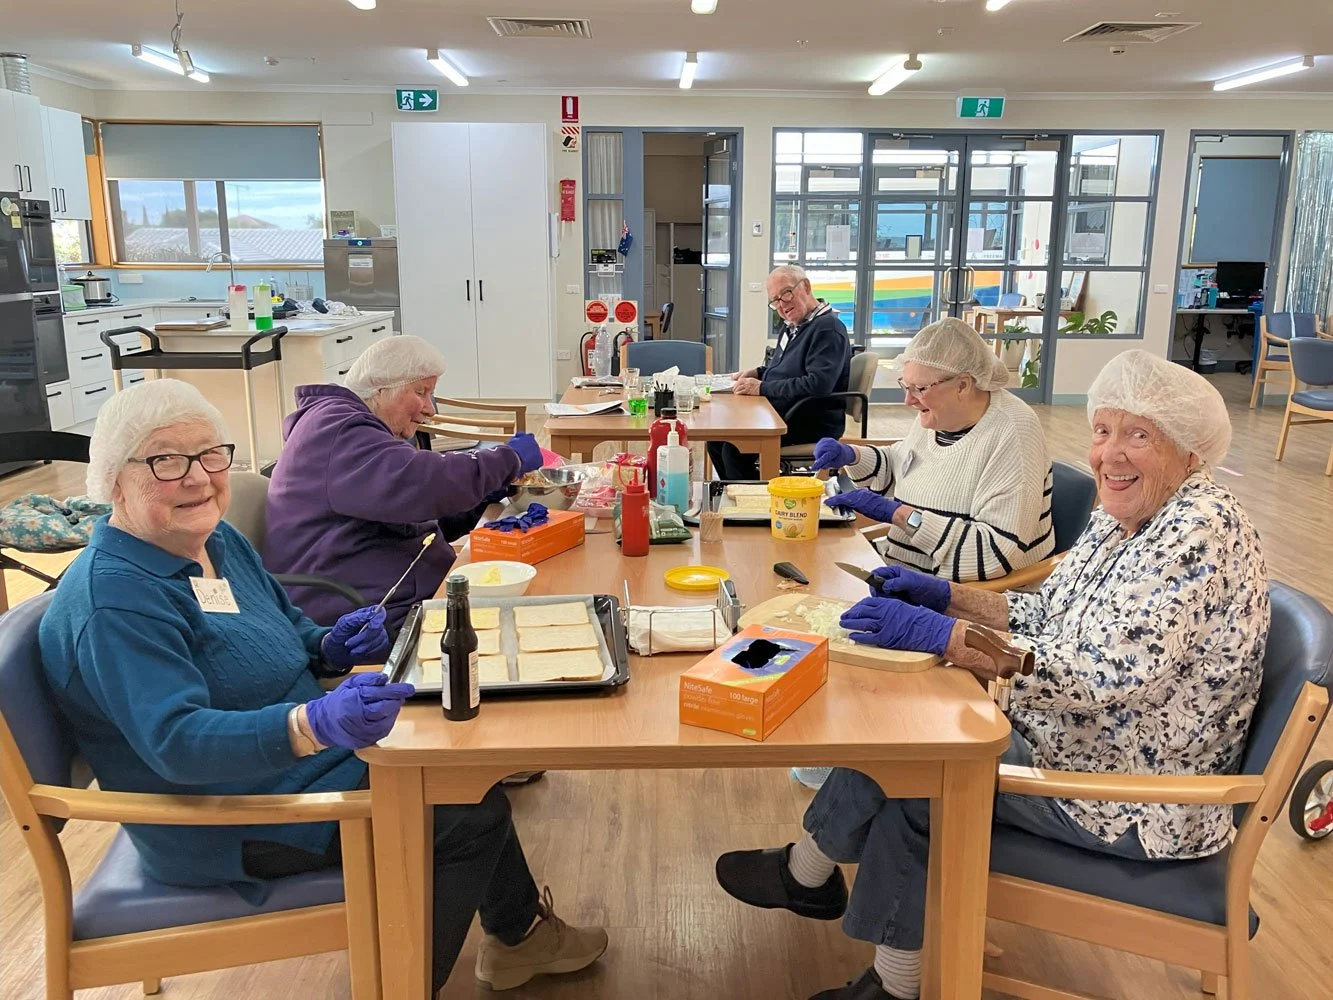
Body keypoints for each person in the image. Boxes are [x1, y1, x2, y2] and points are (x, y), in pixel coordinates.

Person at [714, 350, 1268, 1000]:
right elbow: (1052, 610)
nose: (1108, 455)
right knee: (912, 732)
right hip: (1082, 741)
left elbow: (1104, 676)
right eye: (1101, 430)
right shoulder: (1129, 512)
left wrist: (945, 636)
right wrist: (947, 597)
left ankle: (866, 952)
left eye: (1137, 435)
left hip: (1134, 796)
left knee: (924, 766)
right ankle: (812, 880)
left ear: (1191, 449)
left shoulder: (1197, 533)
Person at [38, 379, 608, 996]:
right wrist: (308, 724)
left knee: (465, 765)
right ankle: (426, 979)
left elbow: (282, 625)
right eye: (166, 461)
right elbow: (177, 743)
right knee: (466, 811)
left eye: (210, 454)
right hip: (225, 815)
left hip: (286, 767)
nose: (199, 478)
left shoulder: (212, 540)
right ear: (112, 481)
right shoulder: (117, 600)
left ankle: (519, 936)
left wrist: (326, 645)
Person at [264, 335, 543, 635]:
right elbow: (424, 483)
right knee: (520, 625)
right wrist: (507, 459)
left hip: (390, 594)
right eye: (420, 392)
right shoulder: (338, 428)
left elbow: (407, 511)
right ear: (380, 389)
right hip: (360, 616)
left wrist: (479, 498)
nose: (429, 409)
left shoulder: (346, 426)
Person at [817, 317, 1055, 584]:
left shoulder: (1012, 432)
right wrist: (853, 455)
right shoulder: (942, 415)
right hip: (903, 574)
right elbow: (903, 464)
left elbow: (993, 554)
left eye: (918, 388)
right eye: (905, 386)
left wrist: (900, 515)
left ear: (963, 385)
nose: (908, 400)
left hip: (971, 597)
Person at [707, 264, 852, 480]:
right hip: (781, 410)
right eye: (775, 301)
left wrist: (763, 387)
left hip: (808, 418)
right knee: (717, 441)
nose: (782, 305)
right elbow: (783, 370)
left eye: (786, 294)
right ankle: (737, 497)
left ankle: (754, 507)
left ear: (806, 286)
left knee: (734, 448)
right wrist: (756, 372)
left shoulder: (827, 329)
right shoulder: (793, 326)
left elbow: (818, 384)